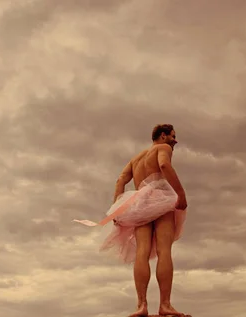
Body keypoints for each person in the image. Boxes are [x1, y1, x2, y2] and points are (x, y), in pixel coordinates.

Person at [74, 124, 189, 317]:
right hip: (160, 198)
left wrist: (118, 209)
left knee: (141, 252)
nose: (175, 141)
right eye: (173, 136)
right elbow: (164, 165)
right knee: (164, 250)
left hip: (140, 204)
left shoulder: (136, 159)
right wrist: (181, 194)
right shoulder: (164, 148)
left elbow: (121, 181)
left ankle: (141, 305)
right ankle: (165, 305)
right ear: (163, 136)